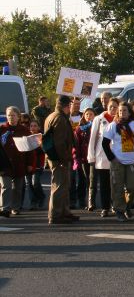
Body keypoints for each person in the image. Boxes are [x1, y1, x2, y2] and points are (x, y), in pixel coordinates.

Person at [101, 101, 134, 222]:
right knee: (117, 187)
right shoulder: (113, 126)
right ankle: (119, 210)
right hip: (117, 161)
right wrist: (111, 158)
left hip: (132, 161)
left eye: (124, 110)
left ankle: (127, 206)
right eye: (120, 111)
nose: (122, 113)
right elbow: (105, 143)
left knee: (133, 187)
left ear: (129, 112)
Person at [43, 96, 79, 224]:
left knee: (63, 185)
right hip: (59, 158)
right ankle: (56, 214)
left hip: (56, 157)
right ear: (66, 105)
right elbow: (60, 143)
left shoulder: (53, 115)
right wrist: (64, 159)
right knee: (59, 186)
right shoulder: (59, 118)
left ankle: (64, 212)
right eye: (70, 105)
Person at [87, 97, 120, 217]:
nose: (112, 109)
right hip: (102, 154)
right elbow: (93, 138)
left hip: (117, 154)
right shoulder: (99, 119)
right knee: (104, 183)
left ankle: (115, 205)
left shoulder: (121, 119)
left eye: (115, 107)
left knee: (116, 183)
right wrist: (91, 156)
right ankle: (105, 207)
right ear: (107, 107)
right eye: (110, 107)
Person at [1, 106, 33, 216]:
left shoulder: (24, 130)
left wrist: (29, 164)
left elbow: (30, 149)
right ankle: (5, 208)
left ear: (18, 117)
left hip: (19, 162)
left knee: (18, 187)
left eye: (13, 115)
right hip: (4, 163)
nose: (11, 117)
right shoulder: (2, 129)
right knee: (6, 186)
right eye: (9, 115)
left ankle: (15, 207)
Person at [73, 108, 95, 211]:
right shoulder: (79, 129)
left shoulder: (96, 127)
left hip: (94, 157)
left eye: (91, 114)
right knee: (83, 180)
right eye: (87, 114)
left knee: (92, 181)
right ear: (84, 116)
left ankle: (91, 202)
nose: (89, 116)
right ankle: (82, 200)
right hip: (83, 158)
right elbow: (76, 145)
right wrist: (76, 157)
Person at [25, 120, 47, 210]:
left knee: (35, 182)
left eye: (35, 126)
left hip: (38, 163)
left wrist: (40, 143)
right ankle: (33, 202)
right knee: (29, 183)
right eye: (31, 126)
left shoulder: (42, 137)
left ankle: (41, 197)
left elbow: (44, 150)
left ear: (38, 127)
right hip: (27, 163)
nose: (33, 128)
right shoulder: (27, 137)